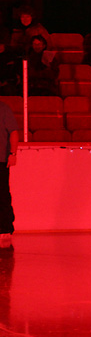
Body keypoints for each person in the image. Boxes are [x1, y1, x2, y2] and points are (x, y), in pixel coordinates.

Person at [0, 99, 18, 248]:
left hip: (0, 159)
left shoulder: (3, 109)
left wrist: (13, 153)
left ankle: (5, 228)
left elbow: (13, 131)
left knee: (2, 194)